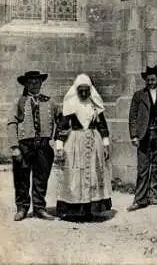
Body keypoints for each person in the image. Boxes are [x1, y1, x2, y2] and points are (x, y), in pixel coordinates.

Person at [54, 74, 112, 221]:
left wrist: (105, 143)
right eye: (81, 90)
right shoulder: (71, 105)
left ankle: (89, 211)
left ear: (90, 90)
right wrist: (59, 146)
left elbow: (102, 125)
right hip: (75, 142)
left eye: (87, 90)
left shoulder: (95, 105)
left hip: (93, 142)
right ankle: (75, 211)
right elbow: (62, 126)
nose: (84, 93)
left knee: (94, 174)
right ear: (76, 90)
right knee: (75, 176)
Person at [7, 71, 59, 221]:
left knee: (41, 177)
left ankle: (39, 208)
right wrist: (14, 147)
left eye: (37, 82)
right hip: (24, 145)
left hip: (43, 145)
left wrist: (57, 138)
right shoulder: (19, 102)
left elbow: (61, 118)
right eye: (31, 82)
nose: (34, 84)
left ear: (41, 83)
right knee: (21, 177)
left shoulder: (50, 102)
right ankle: (22, 208)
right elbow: (11, 124)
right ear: (26, 84)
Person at [127, 66, 157, 212]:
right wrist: (134, 135)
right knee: (143, 168)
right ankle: (140, 198)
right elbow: (133, 116)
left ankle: (153, 195)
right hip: (144, 135)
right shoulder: (138, 95)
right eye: (148, 80)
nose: (151, 82)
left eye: (153, 79)